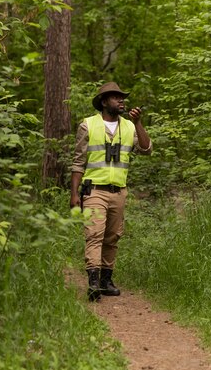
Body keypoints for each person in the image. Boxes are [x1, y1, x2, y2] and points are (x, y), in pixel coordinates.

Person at [70, 82, 152, 301]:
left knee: (112, 236)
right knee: (94, 234)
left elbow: (146, 149)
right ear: (104, 102)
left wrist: (139, 123)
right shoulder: (88, 125)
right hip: (94, 190)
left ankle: (106, 280)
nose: (121, 100)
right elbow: (78, 162)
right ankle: (93, 282)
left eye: (122, 97)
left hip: (119, 192)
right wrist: (74, 194)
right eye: (116, 97)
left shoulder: (130, 126)